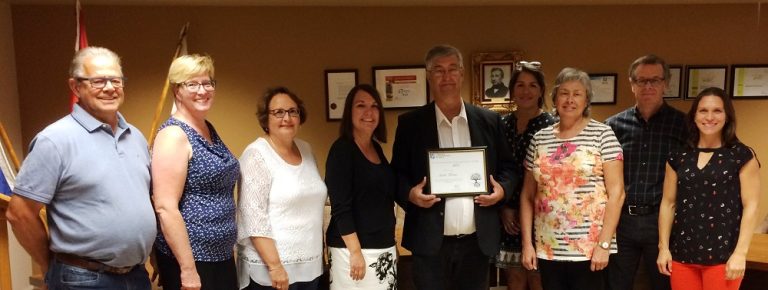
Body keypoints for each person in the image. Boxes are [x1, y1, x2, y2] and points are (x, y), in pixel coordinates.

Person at [5, 47, 156, 290]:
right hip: (82, 279)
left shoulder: (135, 136)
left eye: (116, 80)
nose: (109, 87)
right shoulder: (55, 140)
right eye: (98, 81)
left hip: (136, 277)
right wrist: (49, 265)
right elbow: (19, 213)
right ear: (76, 87)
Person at [391, 44, 517, 290]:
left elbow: (509, 167)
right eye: (438, 70)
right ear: (428, 76)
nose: (446, 77)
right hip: (429, 244)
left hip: (476, 243)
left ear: (461, 74)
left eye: (452, 69)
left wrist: (502, 190)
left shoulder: (489, 121)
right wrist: (410, 194)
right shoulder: (410, 124)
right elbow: (396, 174)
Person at [519, 67, 625, 290]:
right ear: (555, 98)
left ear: (587, 100)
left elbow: (617, 194)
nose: (569, 99)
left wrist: (604, 244)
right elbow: (527, 195)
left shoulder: (603, 134)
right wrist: (527, 244)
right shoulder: (540, 139)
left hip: (590, 248)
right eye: (564, 93)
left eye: (577, 94)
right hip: (548, 246)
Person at [657, 87, 760, 290]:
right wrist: (664, 248)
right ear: (694, 115)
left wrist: (741, 253)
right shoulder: (678, 156)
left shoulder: (741, 155)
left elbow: (752, 206)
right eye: (703, 110)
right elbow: (668, 204)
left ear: (727, 116)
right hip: (682, 255)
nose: (710, 117)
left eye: (717, 111)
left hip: (724, 256)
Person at [152, 54, 240, 290]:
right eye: (192, 84)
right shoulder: (173, 135)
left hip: (219, 256)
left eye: (207, 83)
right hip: (192, 261)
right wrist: (188, 270)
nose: (202, 90)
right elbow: (165, 207)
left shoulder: (206, 127)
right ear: (176, 90)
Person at [605, 55, 687, 290]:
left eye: (655, 80)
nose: (648, 86)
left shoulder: (684, 125)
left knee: (664, 285)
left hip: (662, 222)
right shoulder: (612, 126)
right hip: (622, 222)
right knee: (616, 285)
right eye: (642, 81)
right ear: (632, 85)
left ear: (666, 84)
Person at [237, 87, 327, 290]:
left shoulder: (306, 149)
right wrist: (275, 266)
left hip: (309, 266)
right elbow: (253, 217)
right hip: (271, 271)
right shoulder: (256, 155)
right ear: (265, 119)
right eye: (278, 112)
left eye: (292, 111)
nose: (286, 118)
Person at [325, 84, 398, 290]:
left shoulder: (376, 147)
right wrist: (355, 253)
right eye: (361, 105)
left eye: (374, 106)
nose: (369, 112)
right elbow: (340, 207)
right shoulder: (342, 150)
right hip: (352, 251)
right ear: (349, 112)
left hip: (383, 246)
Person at [496, 61, 555, 290]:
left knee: (539, 279)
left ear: (541, 90)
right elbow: (495, 169)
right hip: (509, 218)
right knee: (515, 280)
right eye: (520, 85)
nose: (526, 91)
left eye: (532, 85)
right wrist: (503, 208)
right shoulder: (501, 124)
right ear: (512, 90)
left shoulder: (552, 126)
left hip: (541, 217)